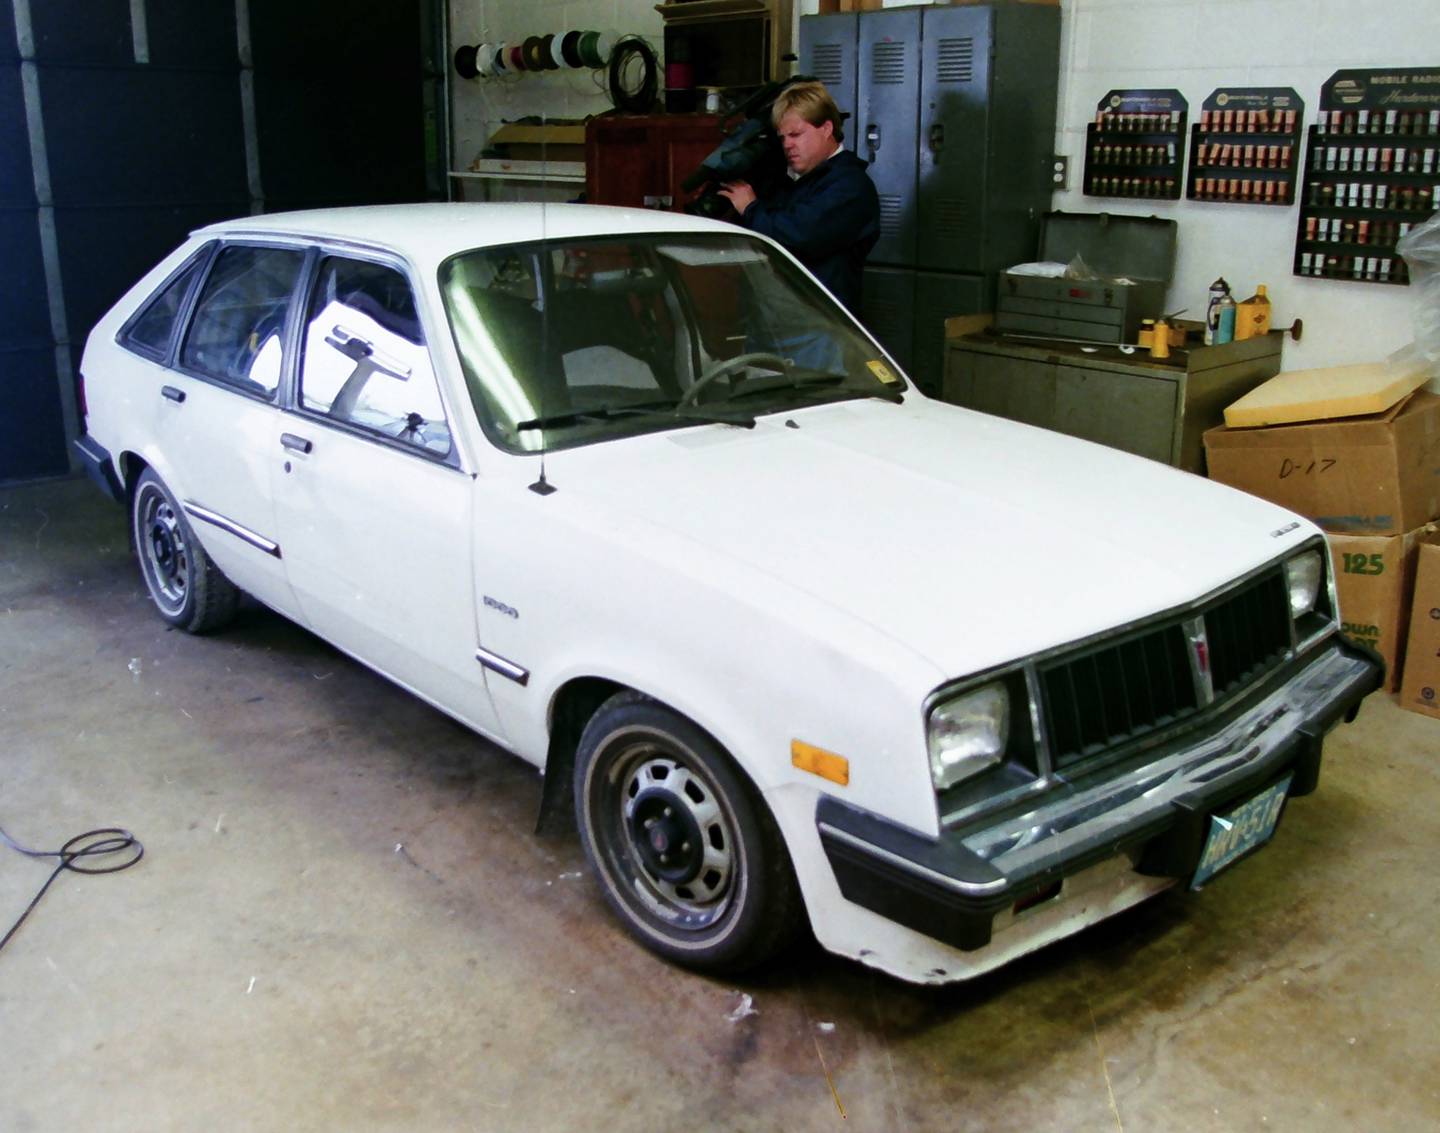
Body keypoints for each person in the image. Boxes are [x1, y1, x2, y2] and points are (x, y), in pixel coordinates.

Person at [718, 81, 880, 315]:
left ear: (826, 129)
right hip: (775, 320)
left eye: (796, 134)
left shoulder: (850, 186)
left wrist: (752, 208)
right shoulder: (792, 181)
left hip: (821, 325)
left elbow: (800, 235)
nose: (788, 145)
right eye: (782, 138)